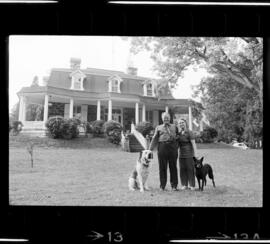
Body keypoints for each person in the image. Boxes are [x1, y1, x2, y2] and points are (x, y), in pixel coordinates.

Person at [149, 112, 178, 191]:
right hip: (162, 147)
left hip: (172, 148)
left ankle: (174, 186)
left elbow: (178, 137)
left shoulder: (174, 126)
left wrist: (177, 147)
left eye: (167, 117)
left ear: (170, 118)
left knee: (173, 167)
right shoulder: (158, 127)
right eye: (164, 118)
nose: (166, 119)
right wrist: (149, 149)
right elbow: (155, 138)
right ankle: (162, 186)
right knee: (162, 167)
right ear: (162, 119)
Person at [177, 118, 198, 190]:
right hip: (181, 154)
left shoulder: (189, 132)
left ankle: (192, 185)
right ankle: (184, 184)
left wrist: (195, 154)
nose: (181, 124)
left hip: (189, 154)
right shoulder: (179, 133)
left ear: (185, 123)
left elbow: (193, 144)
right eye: (180, 123)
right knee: (182, 169)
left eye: (182, 122)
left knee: (190, 169)